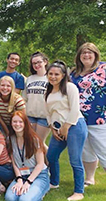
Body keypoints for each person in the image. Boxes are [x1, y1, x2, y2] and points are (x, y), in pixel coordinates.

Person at [45, 60, 88, 201]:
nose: (53, 77)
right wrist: (52, 126)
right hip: (58, 128)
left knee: (75, 160)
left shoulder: (70, 87)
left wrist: (66, 127)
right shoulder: (49, 89)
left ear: (63, 75)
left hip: (75, 126)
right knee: (51, 156)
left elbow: (75, 109)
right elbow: (48, 111)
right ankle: (54, 182)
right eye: (50, 74)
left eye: (56, 74)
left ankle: (79, 192)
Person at [70, 43, 106, 187]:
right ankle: (90, 178)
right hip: (79, 119)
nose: (86, 55)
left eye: (90, 52)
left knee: (103, 149)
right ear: (79, 56)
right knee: (86, 151)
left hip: (99, 118)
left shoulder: (103, 68)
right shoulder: (74, 73)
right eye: (83, 52)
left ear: (95, 54)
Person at [5, 111, 49, 201]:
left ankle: (42, 190)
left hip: (38, 175)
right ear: (11, 123)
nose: (17, 124)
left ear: (25, 123)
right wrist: (19, 180)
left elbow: (40, 164)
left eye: (20, 122)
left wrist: (28, 182)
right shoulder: (10, 139)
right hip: (22, 175)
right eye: (14, 122)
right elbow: (14, 163)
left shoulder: (34, 140)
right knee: (10, 198)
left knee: (24, 199)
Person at [21, 52, 49, 149]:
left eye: (39, 62)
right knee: (32, 142)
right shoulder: (29, 79)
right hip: (30, 116)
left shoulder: (50, 78)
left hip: (44, 117)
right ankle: (38, 163)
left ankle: (50, 162)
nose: (36, 65)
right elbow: (24, 98)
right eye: (34, 63)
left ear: (45, 62)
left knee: (39, 143)